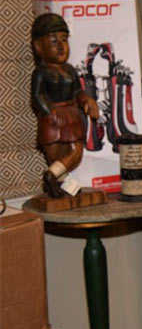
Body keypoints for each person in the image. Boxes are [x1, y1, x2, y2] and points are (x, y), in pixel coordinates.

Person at [31, 13, 98, 197]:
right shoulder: (41, 72)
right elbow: (37, 96)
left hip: (72, 116)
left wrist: (86, 100)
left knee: (76, 153)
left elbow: (77, 91)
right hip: (52, 118)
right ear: (38, 46)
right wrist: (49, 112)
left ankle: (51, 176)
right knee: (55, 155)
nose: (61, 46)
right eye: (54, 41)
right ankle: (58, 185)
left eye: (64, 40)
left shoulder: (70, 70)